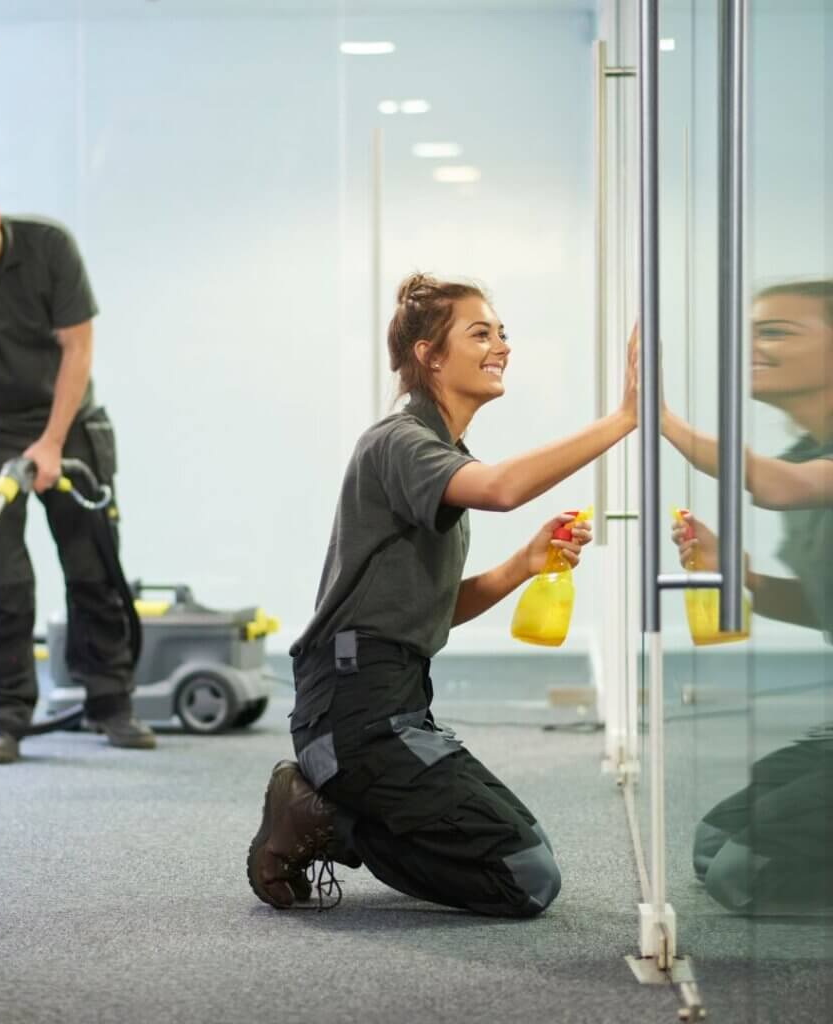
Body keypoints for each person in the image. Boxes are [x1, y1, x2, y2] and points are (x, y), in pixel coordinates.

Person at [247, 273, 638, 915]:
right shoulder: (400, 441)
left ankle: (334, 807)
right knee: (525, 879)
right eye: (479, 333)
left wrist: (522, 565)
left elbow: (424, 611)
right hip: (352, 714)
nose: (501, 345)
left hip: (394, 705)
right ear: (429, 355)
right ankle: (322, 814)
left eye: (502, 332)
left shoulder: (439, 449)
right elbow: (503, 488)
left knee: (525, 856)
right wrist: (624, 419)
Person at [0, 169, 157, 764]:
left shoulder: (49, 248)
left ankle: (109, 703)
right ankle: (4, 716)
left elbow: (78, 350)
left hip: (68, 422)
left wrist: (51, 442)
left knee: (94, 568)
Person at [666, 280, 833, 914]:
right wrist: (750, 583)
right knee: (715, 843)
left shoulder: (796, 471)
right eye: (752, 331)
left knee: (749, 873)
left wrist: (658, 419)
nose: (753, 346)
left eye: (777, 331)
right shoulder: (807, 451)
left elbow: (780, 485)